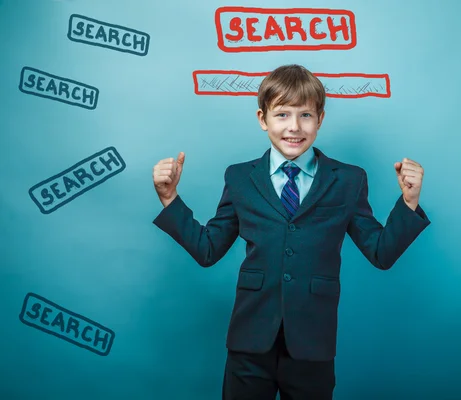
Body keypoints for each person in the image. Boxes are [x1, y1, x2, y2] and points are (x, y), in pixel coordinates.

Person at [152, 64, 431, 400]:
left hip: (313, 343)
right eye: (282, 114)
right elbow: (207, 249)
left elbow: (381, 252)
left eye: (306, 116)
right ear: (262, 118)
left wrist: (409, 202)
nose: (294, 127)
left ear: (321, 119)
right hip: (249, 341)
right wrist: (170, 199)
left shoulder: (348, 179)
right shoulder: (240, 178)